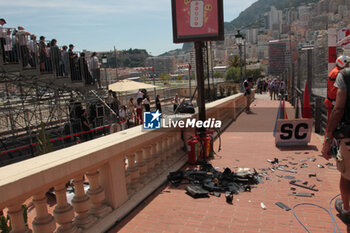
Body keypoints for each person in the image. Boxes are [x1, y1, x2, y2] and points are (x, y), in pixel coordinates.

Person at [322, 67, 350, 221]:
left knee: (346, 175)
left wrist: (328, 138)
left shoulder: (345, 75)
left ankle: (346, 209)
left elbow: (338, 108)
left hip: (348, 135)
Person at [325, 55, 350, 123]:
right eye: (348, 64)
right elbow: (337, 90)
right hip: (334, 103)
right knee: (334, 123)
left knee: (331, 122)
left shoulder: (334, 71)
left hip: (330, 101)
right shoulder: (339, 73)